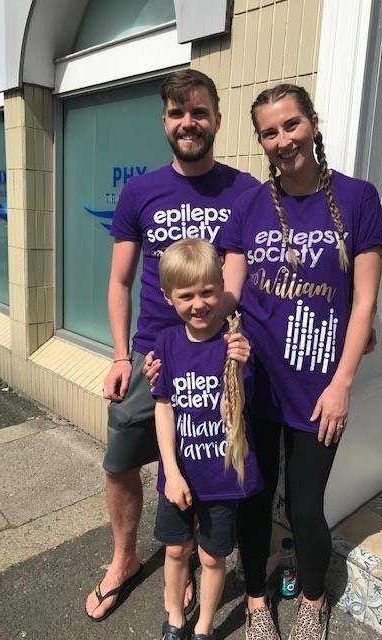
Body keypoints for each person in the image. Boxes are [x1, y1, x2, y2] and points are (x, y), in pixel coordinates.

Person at [85, 69, 259, 622]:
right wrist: (119, 355)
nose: (190, 122)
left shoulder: (245, 191)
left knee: (208, 459)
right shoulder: (140, 191)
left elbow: (240, 283)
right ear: (164, 122)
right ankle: (125, 559)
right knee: (120, 463)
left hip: (216, 355)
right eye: (178, 113)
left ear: (216, 119)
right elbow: (119, 281)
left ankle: (182, 564)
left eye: (200, 112)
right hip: (151, 355)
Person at [220, 84, 382, 640]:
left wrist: (342, 383)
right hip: (256, 384)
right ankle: (257, 600)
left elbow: (363, 301)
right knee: (255, 500)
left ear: (312, 124)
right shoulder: (248, 205)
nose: (282, 140)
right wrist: (180, 334)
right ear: (261, 141)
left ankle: (313, 600)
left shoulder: (359, 198)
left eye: (291, 125)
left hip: (319, 386)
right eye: (269, 132)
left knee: (307, 508)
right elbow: (228, 294)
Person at [153, 238, 263, 640]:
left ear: (222, 288)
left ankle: (203, 625)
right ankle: (175, 620)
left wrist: (243, 364)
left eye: (207, 292)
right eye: (186, 296)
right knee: (177, 550)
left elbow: (243, 405)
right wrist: (170, 470)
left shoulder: (235, 342)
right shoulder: (165, 343)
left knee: (213, 557)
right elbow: (163, 407)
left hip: (221, 477)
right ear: (169, 298)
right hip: (179, 473)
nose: (198, 304)